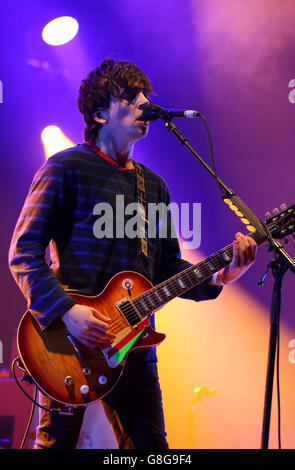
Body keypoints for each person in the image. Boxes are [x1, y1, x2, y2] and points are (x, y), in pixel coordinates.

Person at [8, 58, 257, 449]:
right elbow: (23, 251)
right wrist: (66, 312)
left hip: (133, 344)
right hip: (68, 344)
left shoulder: (153, 186)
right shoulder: (64, 168)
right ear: (100, 113)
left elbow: (168, 268)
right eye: (130, 97)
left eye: (144, 95)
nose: (143, 104)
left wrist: (219, 277)